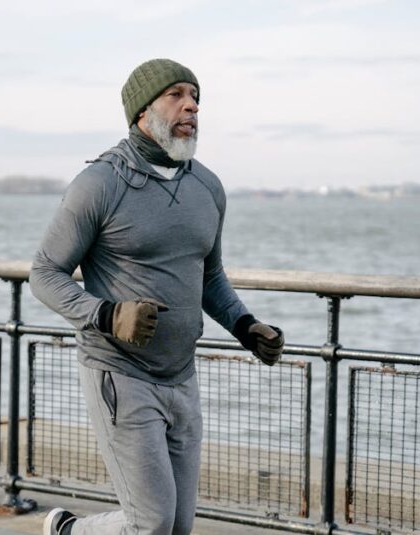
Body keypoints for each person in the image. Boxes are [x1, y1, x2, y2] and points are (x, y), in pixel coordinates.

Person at [30, 58, 284, 535]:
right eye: (176, 95)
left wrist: (245, 326)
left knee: (178, 527)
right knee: (151, 523)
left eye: (195, 97)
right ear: (142, 110)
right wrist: (107, 315)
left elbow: (210, 276)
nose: (192, 106)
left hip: (182, 375)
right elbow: (44, 274)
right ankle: (68, 531)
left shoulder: (207, 187)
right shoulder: (99, 184)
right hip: (120, 372)